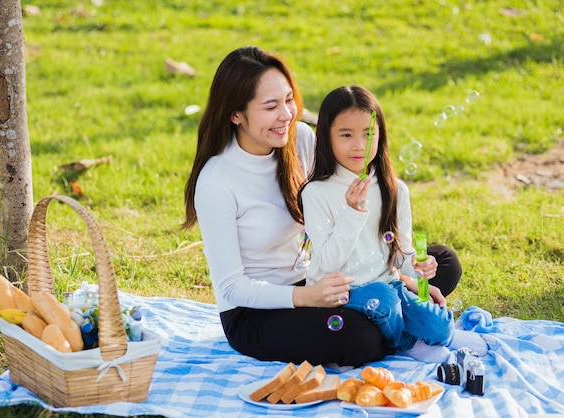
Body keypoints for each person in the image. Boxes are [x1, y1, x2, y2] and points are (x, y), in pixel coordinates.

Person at [182, 46, 391, 367]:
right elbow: (233, 288)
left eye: (288, 100)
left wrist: (396, 270)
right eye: (270, 106)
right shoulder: (216, 182)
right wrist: (308, 298)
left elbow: (342, 213)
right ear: (236, 114)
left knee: (443, 262)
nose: (287, 114)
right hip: (255, 312)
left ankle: (396, 304)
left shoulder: (302, 140)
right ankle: (395, 318)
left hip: (313, 278)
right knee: (360, 338)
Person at [298, 85, 487, 361]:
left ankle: (443, 334)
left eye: (368, 134)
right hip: (339, 295)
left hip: (389, 284)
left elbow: (398, 250)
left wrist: (416, 264)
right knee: (383, 298)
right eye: (346, 134)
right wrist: (352, 213)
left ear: (380, 135)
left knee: (434, 321)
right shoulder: (316, 193)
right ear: (326, 137)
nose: (359, 145)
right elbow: (327, 263)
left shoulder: (394, 189)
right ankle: (410, 343)